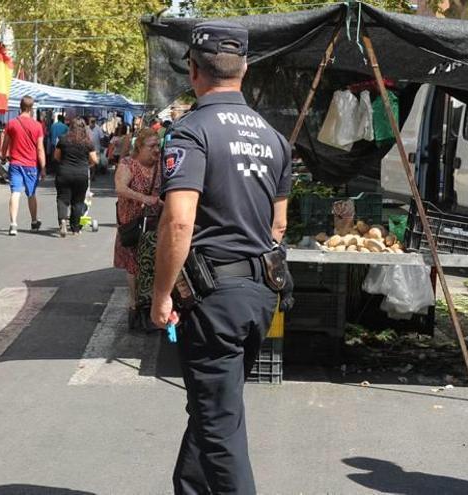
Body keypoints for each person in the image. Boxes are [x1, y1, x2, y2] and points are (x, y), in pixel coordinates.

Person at [150, 21, 291, 494]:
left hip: (213, 300)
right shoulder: (274, 138)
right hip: (259, 295)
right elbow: (279, 227)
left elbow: (178, 223)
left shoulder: (192, 132)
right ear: (244, 69)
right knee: (214, 409)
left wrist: (161, 293)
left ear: (193, 70)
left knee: (220, 426)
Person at [114, 127, 162, 330]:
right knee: (134, 265)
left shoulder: (160, 166)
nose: (157, 150)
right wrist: (145, 199)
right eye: (152, 146)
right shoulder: (128, 164)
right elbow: (120, 188)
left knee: (152, 263)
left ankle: (149, 305)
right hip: (132, 223)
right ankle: (135, 305)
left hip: (154, 223)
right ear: (139, 147)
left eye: (158, 145)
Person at [1, 95, 46, 236]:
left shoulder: (12, 124)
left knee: (15, 192)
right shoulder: (37, 126)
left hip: (15, 163)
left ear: (20, 107)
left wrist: (3, 156)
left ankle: (13, 224)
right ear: (31, 108)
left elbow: (5, 144)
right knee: (31, 193)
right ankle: (33, 221)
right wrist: (43, 167)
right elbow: (40, 149)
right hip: (31, 165)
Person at [55, 118, 98, 237]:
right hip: (81, 174)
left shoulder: (63, 139)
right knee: (78, 201)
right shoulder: (87, 142)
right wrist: (88, 164)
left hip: (64, 172)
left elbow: (57, 156)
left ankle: (63, 221)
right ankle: (75, 229)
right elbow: (94, 160)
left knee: (62, 198)